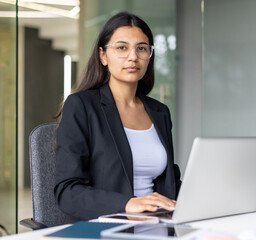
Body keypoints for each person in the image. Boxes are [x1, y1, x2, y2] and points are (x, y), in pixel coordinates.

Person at [54, 12, 181, 222]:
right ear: (103, 56)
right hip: (108, 227)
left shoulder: (159, 112)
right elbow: (67, 192)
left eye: (141, 48)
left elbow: (170, 183)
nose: (133, 56)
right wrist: (128, 203)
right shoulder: (82, 106)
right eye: (122, 47)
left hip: (157, 224)